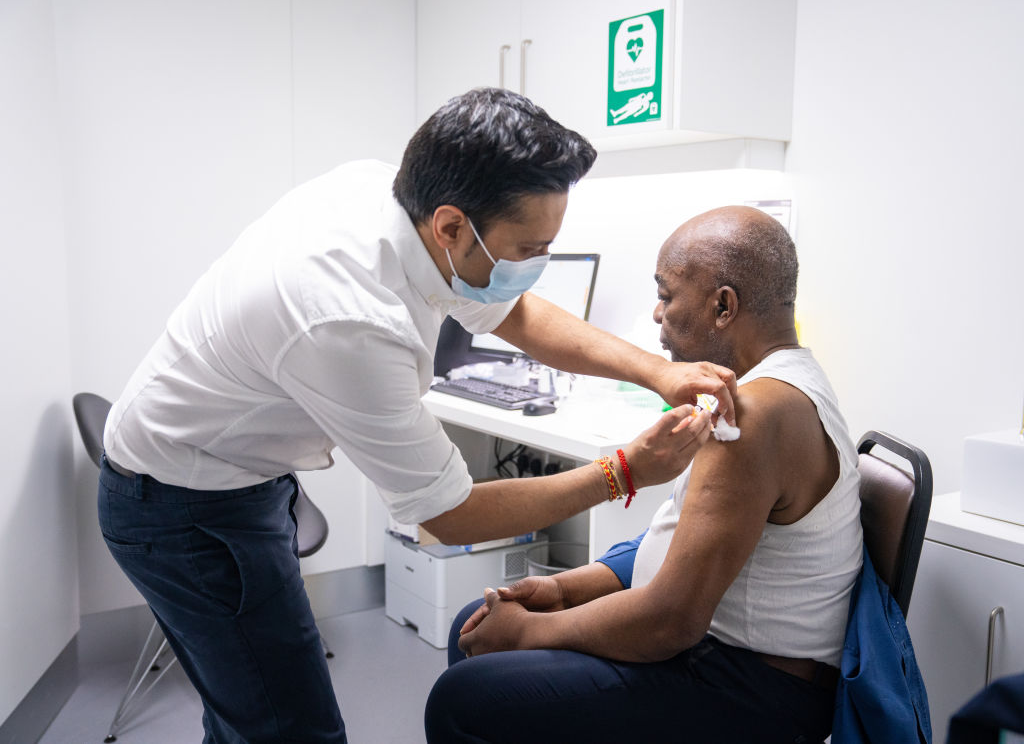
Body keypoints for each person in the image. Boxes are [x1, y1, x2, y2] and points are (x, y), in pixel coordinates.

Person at [98, 87, 736, 743]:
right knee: (289, 729)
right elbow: (447, 513)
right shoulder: (346, 317)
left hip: (233, 470)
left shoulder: (392, 194)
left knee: (245, 709)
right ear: (452, 226)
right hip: (183, 503)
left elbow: (510, 310)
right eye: (527, 250)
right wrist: (623, 471)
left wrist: (654, 370)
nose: (537, 267)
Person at [425, 205, 865, 744]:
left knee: (463, 698)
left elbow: (669, 622)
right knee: (476, 623)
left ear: (722, 306)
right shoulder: (775, 384)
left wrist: (533, 631)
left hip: (748, 687)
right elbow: (678, 539)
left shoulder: (756, 416)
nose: (656, 314)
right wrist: (562, 589)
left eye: (666, 294)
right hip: (718, 652)